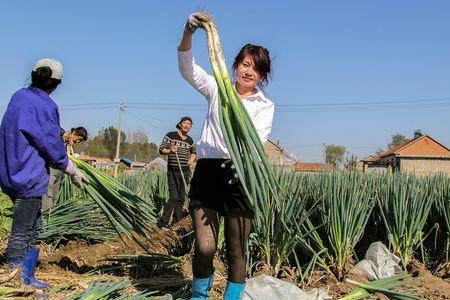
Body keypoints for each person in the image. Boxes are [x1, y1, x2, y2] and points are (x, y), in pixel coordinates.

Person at [178, 13, 275, 300]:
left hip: (242, 175)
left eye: (256, 69)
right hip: (208, 172)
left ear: (262, 76)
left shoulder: (265, 106)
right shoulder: (216, 88)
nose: (249, 72)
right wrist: (188, 32)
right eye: (245, 64)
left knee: (236, 250)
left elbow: (254, 141)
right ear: (235, 65)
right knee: (205, 246)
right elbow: (187, 68)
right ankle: (199, 296)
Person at [0, 58, 87, 289]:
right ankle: (16, 280)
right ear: (57, 84)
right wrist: (70, 168)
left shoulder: (19, 96)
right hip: (27, 174)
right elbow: (48, 142)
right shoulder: (46, 106)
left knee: (34, 226)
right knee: (22, 229)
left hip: (10, 170)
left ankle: (27, 276)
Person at [158, 117, 196, 230]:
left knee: (181, 198)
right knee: (173, 197)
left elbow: (194, 152)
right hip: (173, 170)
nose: (187, 125)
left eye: (189, 124)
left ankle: (177, 220)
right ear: (180, 124)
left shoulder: (190, 140)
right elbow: (161, 149)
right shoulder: (171, 136)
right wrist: (170, 150)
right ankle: (163, 222)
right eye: (185, 123)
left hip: (185, 171)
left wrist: (190, 161)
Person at [42, 126, 88, 211]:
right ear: (73, 132)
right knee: (48, 194)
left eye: (80, 141)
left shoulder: (67, 146)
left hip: (59, 171)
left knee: (55, 195)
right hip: (50, 169)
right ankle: (45, 215)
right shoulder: (58, 133)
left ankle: (51, 215)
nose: (77, 141)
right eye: (78, 138)